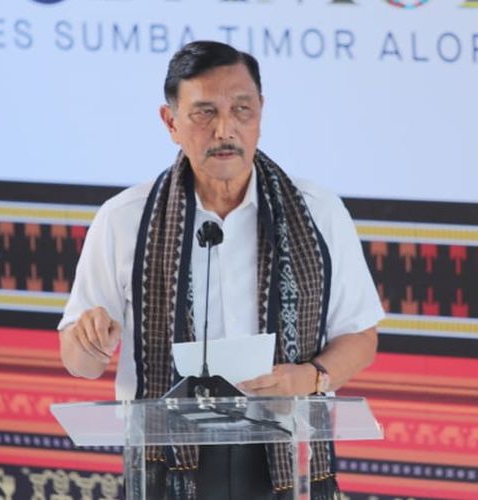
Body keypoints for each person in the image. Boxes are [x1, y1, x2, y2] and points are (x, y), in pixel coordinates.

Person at [58, 40, 384, 500]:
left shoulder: (318, 213)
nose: (225, 129)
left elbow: (360, 337)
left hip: (285, 452)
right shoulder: (126, 218)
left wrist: (310, 378)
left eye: (241, 109)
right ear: (171, 122)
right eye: (204, 113)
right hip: (167, 460)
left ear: (261, 113)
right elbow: (80, 362)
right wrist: (90, 341)